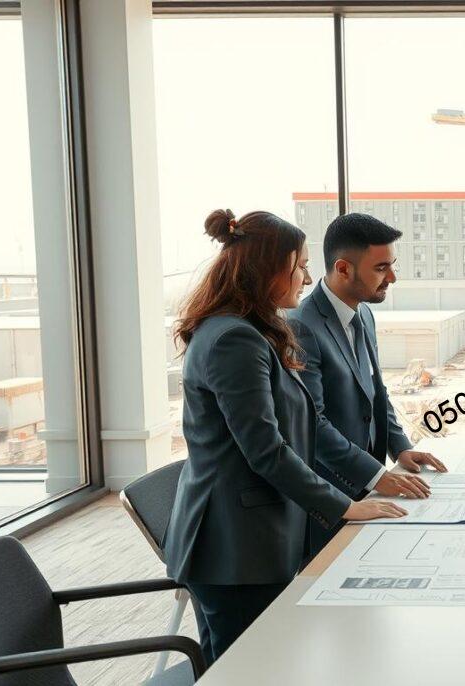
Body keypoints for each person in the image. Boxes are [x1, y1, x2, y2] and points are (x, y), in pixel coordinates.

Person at [164, 209, 425, 665]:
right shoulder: (234, 341)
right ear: (269, 270)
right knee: (249, 671)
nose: (306, 278)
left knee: (257, 666)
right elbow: (267, 451)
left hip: (251, 540)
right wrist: (345, 505)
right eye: (299, 266)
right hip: (236, 549)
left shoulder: (252, 332)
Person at [289, 213, 446, 555]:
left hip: (368, 489)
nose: (392, 277)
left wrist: (400, 447)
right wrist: (377, 475)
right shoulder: (301, 326)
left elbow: (375, 393)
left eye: (392, 265)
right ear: (343, 269)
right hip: (327, 500)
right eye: (380, 268)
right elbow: (312, 424)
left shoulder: (364, 313)